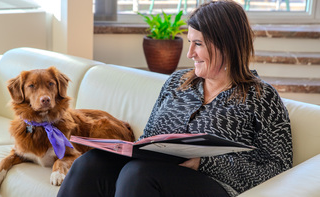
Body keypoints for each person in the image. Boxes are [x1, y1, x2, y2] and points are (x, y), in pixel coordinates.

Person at [57, 1, 292, 196]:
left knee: (138, 174)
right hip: (153, 173)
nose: (189, 53)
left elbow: (278, 168)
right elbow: (148, 138)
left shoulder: (262, 96)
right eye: (190, 42)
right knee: (90, 163)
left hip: (212, 185)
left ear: (226, 45)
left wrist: (204, 162)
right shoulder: (177, 83)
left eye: (198, 44)